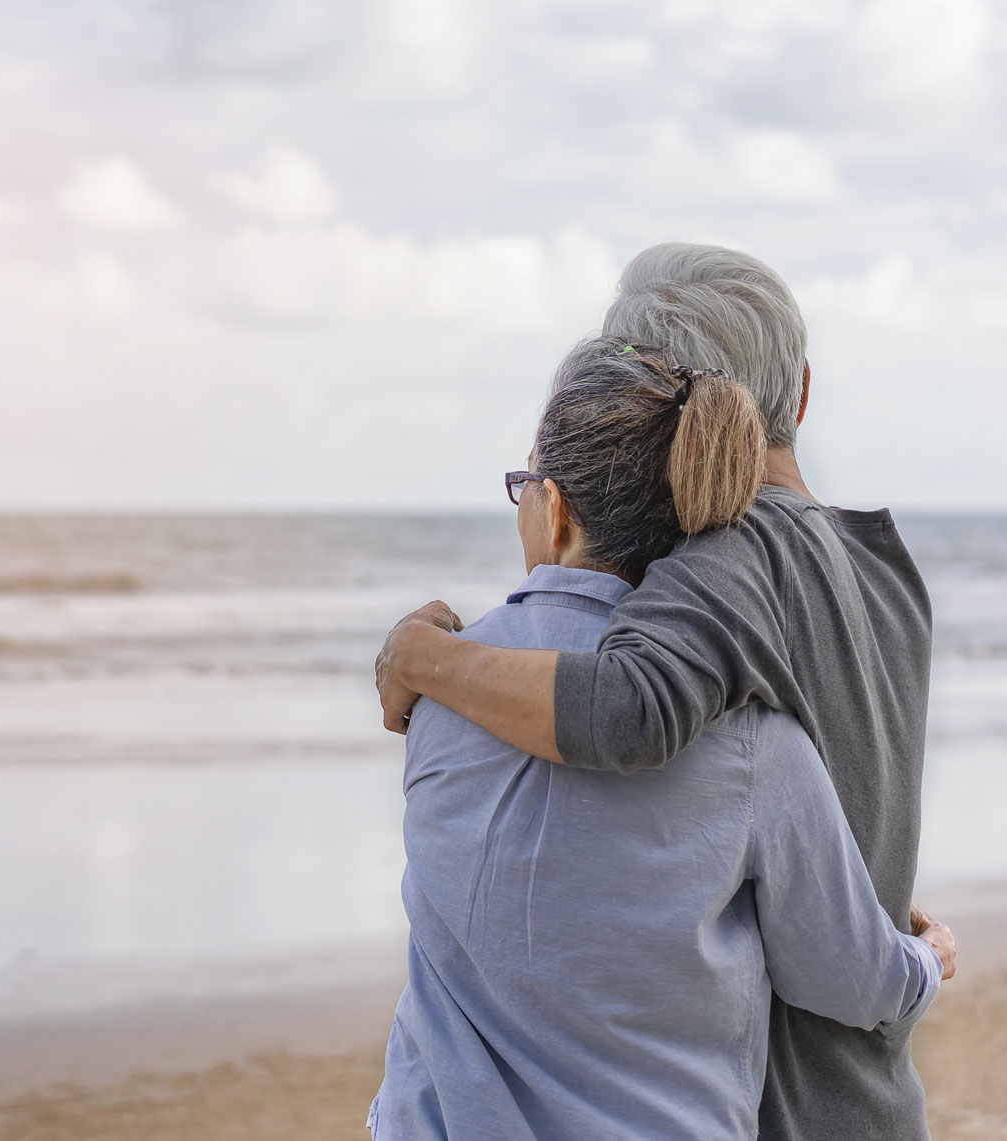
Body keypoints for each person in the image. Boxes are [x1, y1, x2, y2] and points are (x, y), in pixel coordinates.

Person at [375, 243, 941, 1138]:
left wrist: (424, 660)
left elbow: (623, 709)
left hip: (785, 1110)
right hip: (872, 1089)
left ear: (673, 425)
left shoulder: (729, 558)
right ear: (799, 391)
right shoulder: (879, 562)